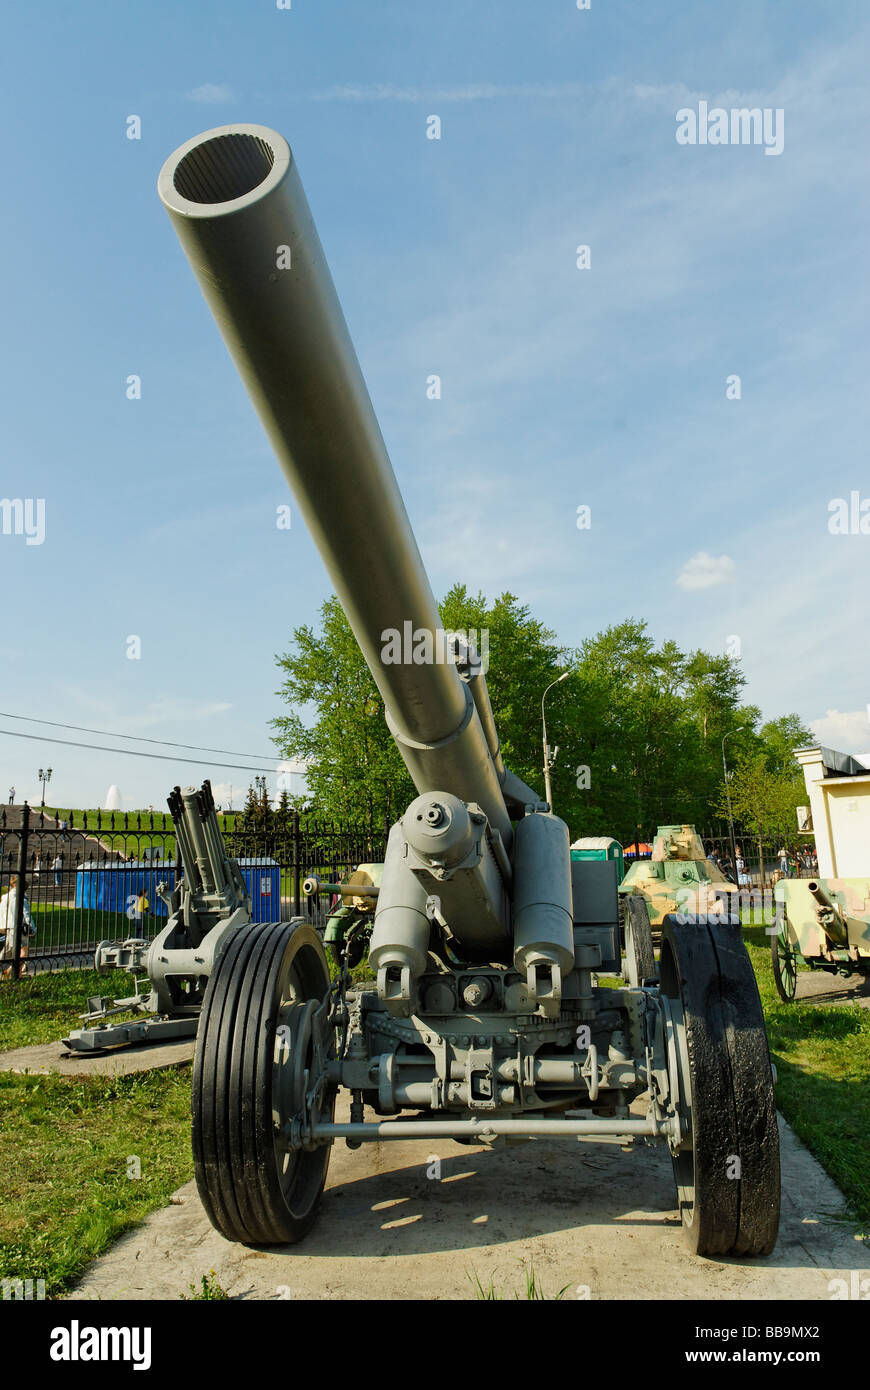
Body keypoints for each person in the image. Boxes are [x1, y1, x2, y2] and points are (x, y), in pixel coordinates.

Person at [0, 876, 36, 978]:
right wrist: (32, 928)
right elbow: (27, 914)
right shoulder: (20, 898)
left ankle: (13, 972)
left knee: (7, 951)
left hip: (8, 927)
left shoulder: (5, 897)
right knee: (23, 952)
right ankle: (14, 972)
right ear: (16, 885)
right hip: (20, 927)